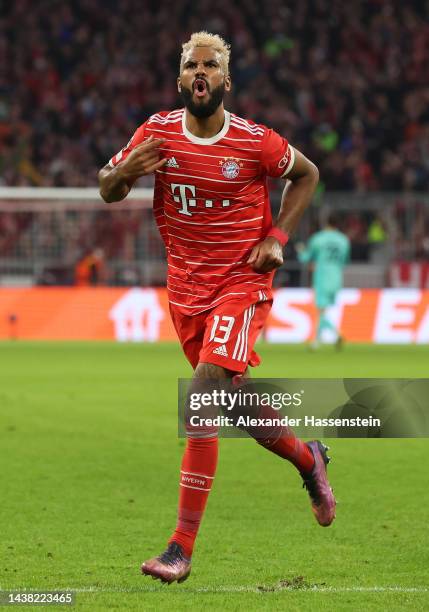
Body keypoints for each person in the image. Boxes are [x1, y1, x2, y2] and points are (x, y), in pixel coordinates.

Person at [99, 31, 336, 585]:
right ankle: (310, 459)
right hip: (185, 292)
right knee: (232, 405)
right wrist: (125, 170)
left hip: (241, 283)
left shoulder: (255, 141)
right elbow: (108, 189)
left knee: (202, 398)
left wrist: (278, 233)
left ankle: (179, 548)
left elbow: (308, 175)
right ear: (180, 78)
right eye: (190, 65)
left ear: (226, 81)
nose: (199, 72)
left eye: (210, 65)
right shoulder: (155, 133)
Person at [297, 214, 350, 348]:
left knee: (320, 310)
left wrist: (300, 250)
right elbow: (344, 261)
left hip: (322, 276)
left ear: (326, 223)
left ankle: (336, 333)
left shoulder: (318, 238)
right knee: (322, 311)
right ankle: (316, 341)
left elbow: (306, 258)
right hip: (336, 278)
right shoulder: (344, 240)